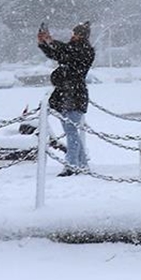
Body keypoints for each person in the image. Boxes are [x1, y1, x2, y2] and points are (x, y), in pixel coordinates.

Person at [38, 21, 95, 176]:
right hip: (65, 95)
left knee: (71, 131)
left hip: (75, 95)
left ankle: (71, 165)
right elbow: (57, 54)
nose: (73, 36)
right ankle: (82, 164)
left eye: (75, 34)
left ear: (82, 36)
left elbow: (65, 52)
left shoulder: (85, 50)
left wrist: (50, 41)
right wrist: (44, 44)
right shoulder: (73, 50)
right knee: (72, 131)